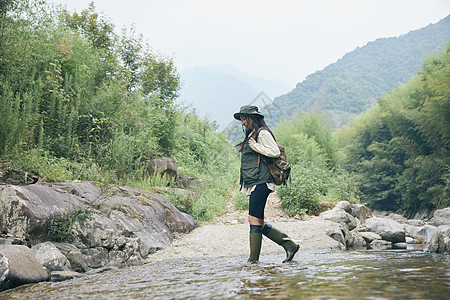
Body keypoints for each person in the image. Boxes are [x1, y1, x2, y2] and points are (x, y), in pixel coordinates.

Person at [233, 105, 299, 263]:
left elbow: (274, 151)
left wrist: (255, 146)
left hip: (261, 181)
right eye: (241, 119)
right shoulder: (253, 133)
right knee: (257, 221)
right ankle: (289, 245)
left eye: (245, 118)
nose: (243, 122)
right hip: (256, 181)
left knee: (253, 219)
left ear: (253, 118)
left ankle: (253, 260)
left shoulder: (262, 133)